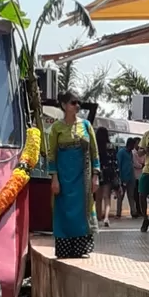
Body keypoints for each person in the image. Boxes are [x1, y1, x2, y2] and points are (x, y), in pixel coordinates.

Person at [46, 92, 100, 259]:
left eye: (78, 103)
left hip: (82, 179)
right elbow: (51, 155)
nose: (77, 106)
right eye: (72, 103)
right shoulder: (56, 128)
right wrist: (54, 178)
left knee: (82, 211)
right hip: (63, 179)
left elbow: (94, 151)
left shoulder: (86, 126)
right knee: (63, 210)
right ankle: (64, 249)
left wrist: (96, 175)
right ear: (63, 105)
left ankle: (81, 248)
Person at [92, 112, 113, 221]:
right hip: (108, 173)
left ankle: (98, 217)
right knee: (106, 197)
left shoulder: (95, 147)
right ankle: (106, 218)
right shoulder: (110, 147)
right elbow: (114, 162)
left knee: (98, 198)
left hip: (97, 172)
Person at [116, 137, 138, 219]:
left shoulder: (130, 153)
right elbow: (118, 165)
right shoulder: (121, 152)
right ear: (130, 144)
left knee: (131, 195)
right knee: (120, 196)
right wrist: (120, 178)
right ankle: (118, 213)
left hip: (131, 178)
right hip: (123, 177)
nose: (134, 146)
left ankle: (133, 211)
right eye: (134, 144)